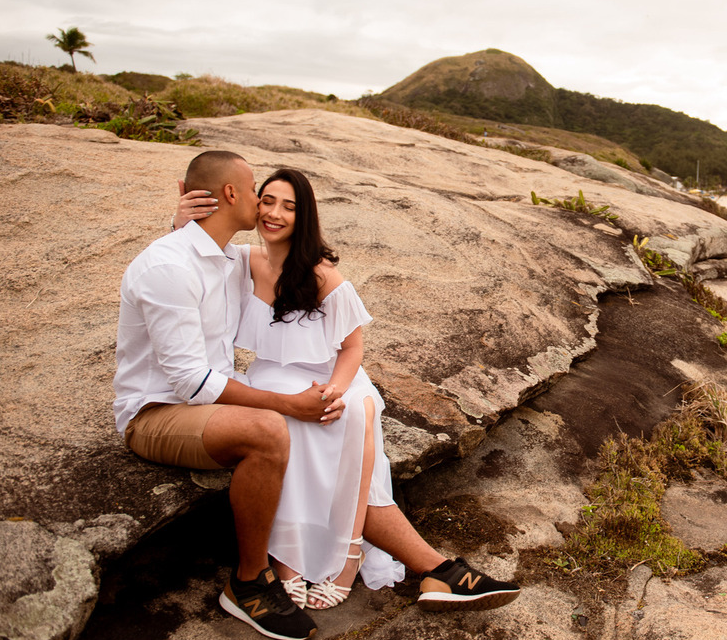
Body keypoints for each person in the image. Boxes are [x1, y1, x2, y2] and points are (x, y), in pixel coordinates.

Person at [176, 167, 520, 614]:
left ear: (305, 217)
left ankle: (347, 554)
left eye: (289, 206)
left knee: (352, 414)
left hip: (329, 377)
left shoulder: (322, 276)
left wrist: (335, 389)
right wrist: (181, 222)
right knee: (285, 431)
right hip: (269, 378)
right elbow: (193, 256)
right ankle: (299, 564)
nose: (274, 213)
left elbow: (354, 346)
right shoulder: (241, 261)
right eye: (268, 201)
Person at [115, 150, 325, 640]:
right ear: (231, 194)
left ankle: (394, 558)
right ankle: (249, 581)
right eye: (255, 191)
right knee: (271, 426)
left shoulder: (227, 259)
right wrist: (288, 405)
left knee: (333, 417)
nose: (261, 202)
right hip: (156, 414)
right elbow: (190, 382)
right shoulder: (168, 267)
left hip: (205, 407)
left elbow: (300, 260)